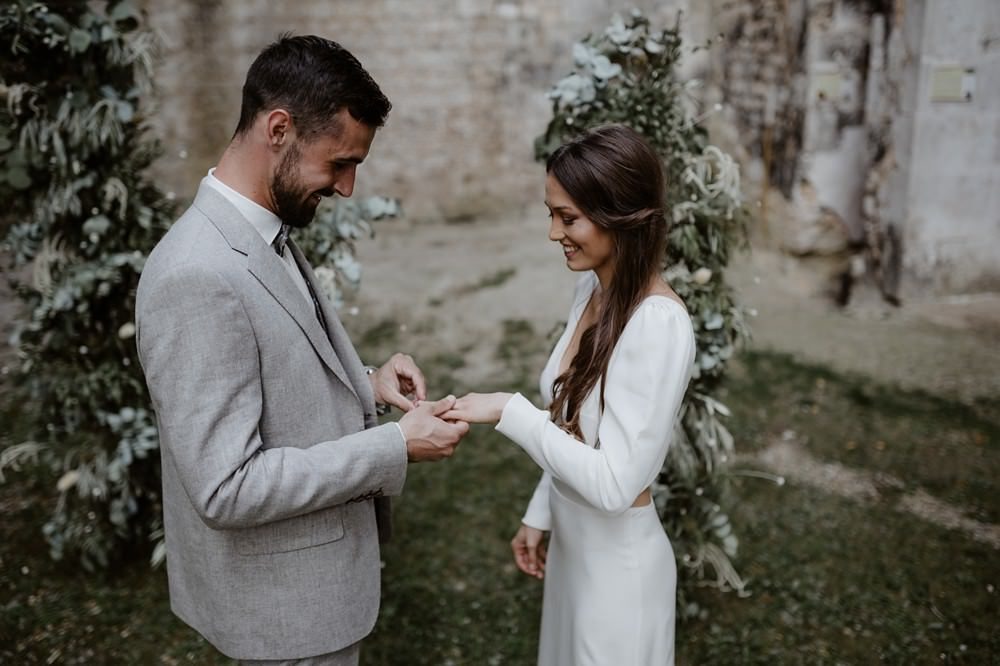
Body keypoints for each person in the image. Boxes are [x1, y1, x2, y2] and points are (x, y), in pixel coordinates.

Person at [135, 35, 468, 665]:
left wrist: (365, 382)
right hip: (282, 617)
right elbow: (226, 487)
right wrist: (393, 446)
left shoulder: (262, 231)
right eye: (339, 162)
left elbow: (267, 371)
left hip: (312, 596)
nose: (347, 187)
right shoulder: (195, 275)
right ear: (280, 129)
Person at [444, 124, 696, 665]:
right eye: (551, 214)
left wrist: (510, 411)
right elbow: (573, 423)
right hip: (573, 555)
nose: (554, 232)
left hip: (618, 577)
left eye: (569, 218)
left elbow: (613, 484)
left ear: (619, 218)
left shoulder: (657, 324)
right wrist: (543, 509)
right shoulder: (592, 289)